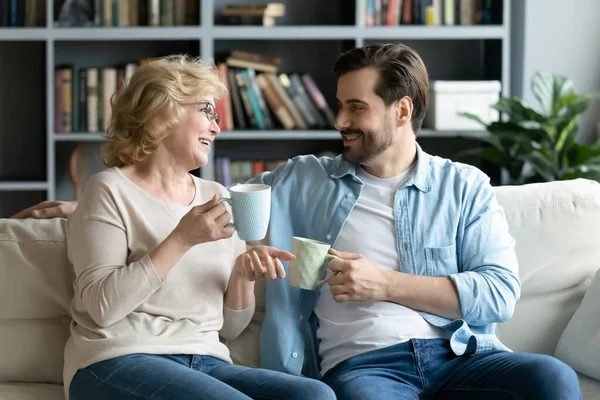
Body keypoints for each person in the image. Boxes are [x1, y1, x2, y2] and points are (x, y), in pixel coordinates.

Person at [14, 44, 582, 399]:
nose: (338, 121)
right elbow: (163, 205)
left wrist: (380, 284)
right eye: (339, 105)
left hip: (460, 353)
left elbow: (500, 295)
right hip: (363, 367)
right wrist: (83, 208)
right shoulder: (306, 179)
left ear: (402, 110)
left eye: (355, 107)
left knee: (553, 379)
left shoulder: (465, 187)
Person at [16, 55, 336, 400]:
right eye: (206, 112)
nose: (216, 127)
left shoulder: (217, 196)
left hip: (206, 361)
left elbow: (230, 328)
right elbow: (101, 308)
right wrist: (181, 239)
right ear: (162, 111)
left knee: (315, 396)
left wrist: (242, 274)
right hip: (117, 359)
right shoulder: (108, 189)